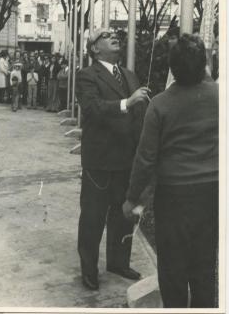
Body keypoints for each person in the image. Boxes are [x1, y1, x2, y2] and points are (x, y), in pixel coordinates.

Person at [123, 33, 218, 308]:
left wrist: (132, 198)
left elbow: (145, 159)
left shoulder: (160, 104)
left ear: (171, 69)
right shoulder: (219, 98)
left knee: (173, 267)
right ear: (204, 65)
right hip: (211, 193)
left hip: (174, 196)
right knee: (204, 264)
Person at [76, 28, 150, 291]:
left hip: (126, 159)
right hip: (100, 161)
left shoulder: (129, 75)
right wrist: (126, 103)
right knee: (93, 217)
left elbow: (138, 115)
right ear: (94, 48)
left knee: (124, 215)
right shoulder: (86, 75)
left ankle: (118, 262)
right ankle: (89, 269)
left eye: (114, 34)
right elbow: (93, 109)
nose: (114, 36)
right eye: (105, 35)